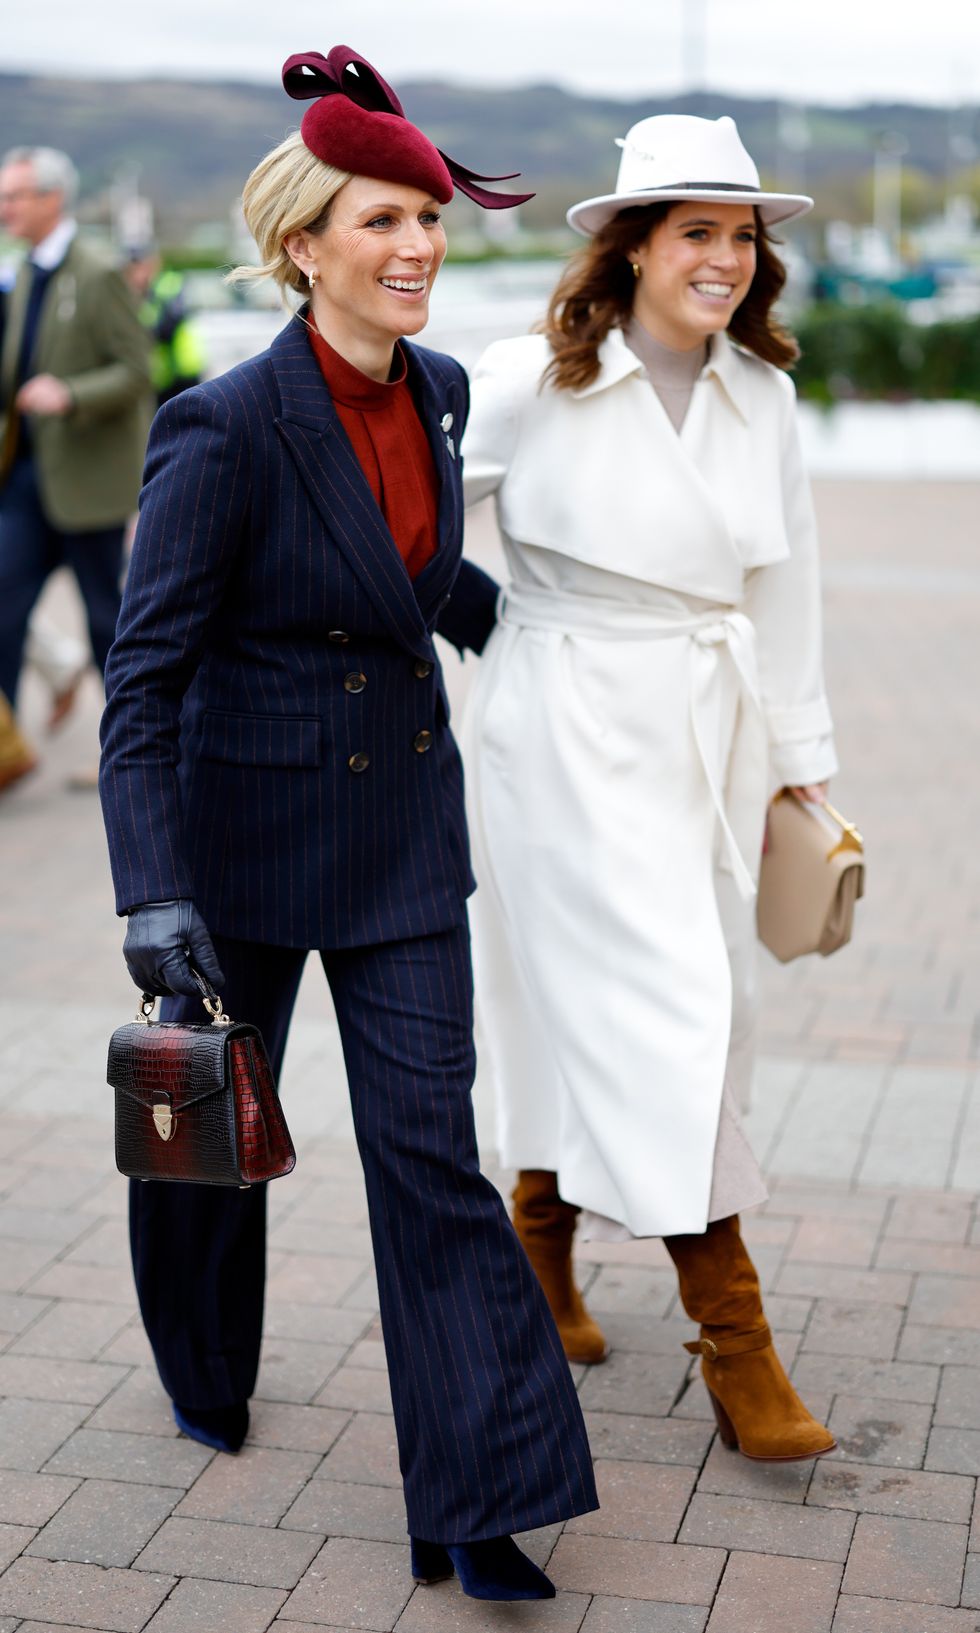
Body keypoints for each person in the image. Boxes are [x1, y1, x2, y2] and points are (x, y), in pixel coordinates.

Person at [98, 46, 597, 1602]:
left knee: (430, 1159)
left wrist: (499, 611)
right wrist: (148, 887)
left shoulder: (441, 393)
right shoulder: (222, 425)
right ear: (305, 243)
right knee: (210, 1156)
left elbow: (395, 565)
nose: (419, 251)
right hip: (235, 849)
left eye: (432, 222)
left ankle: (478, 1491)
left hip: (398, 854)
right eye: (385, 221)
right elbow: (147, 669)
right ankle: (199, 1361)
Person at [460, 114, 838, 1461]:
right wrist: (465, 613)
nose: (726, 260)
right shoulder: (527, 380)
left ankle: (538, 1244)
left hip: (705, 737)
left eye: (742, 237)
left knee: (662, 1007)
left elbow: (783, 590)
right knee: (666, 1012)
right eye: (698, 233)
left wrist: (806, 774)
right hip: (558, 732)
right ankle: (738, 1343)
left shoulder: (766, 397)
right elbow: (406, 513)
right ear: (630, 247)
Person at [0, 147, 151, 716]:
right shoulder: (21, 272)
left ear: (52, 198)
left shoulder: (98, 272)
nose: (4, 207)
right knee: (4, 608)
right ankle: (6, 746)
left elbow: (136, 371)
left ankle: (129, 750)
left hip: (89, 483)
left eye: (14, 196)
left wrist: (70, 394)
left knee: (105, 624)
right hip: (24, 478)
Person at [123, 245, 206, 405]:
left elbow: (167, 326)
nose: (137, 274)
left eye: (141, 267)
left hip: (184, 369)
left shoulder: (170, 283)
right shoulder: (134, 294)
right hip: (161, 376)